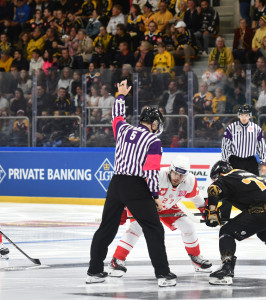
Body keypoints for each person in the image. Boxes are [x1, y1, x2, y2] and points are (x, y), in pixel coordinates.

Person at [87, 80, 176, 287]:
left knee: (106, 228)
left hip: (116, 184)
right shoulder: (153, 141)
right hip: (136, 186)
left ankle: (94, 270)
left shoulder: (124, 130)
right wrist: (155, 196)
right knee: (154, 229)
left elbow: (116, 116)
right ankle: (163, 275)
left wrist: (120, 96)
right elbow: (151, 171)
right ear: (154, 123)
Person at [108, 155, 212, 277]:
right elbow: (131, 191)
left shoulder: (189, 181)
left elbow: (197, 199)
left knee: (188, 226)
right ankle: (116, 260)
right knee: (137, 227)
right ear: (170, 170)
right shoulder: (156, 176)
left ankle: (196, 258)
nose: (177, 178)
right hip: (144, 204)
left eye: (181, 175)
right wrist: (123, 209)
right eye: (175, 173)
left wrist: (207, 211)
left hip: (167, 206)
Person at [204, 160, 266, 285]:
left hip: (264, 209)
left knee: (226, 231)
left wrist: (211, 212)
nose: (215, 181)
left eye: (215, 178)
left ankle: (226, 269)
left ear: (220, 174)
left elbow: (213, 189)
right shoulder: (242, 173)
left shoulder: (225, 178)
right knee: (265, 234)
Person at [220, 104, 266, 176]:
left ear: (249, 115)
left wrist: (263, 163)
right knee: (234, 184)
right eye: (242, 115)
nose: (244, 118)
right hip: (234, 160)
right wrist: (224, 162)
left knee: (253, 184)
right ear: (239, 115)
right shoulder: (231, 128)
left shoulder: (256, 129)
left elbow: (261, 147)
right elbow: (225, 146)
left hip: (250, 161)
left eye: (246, 115)